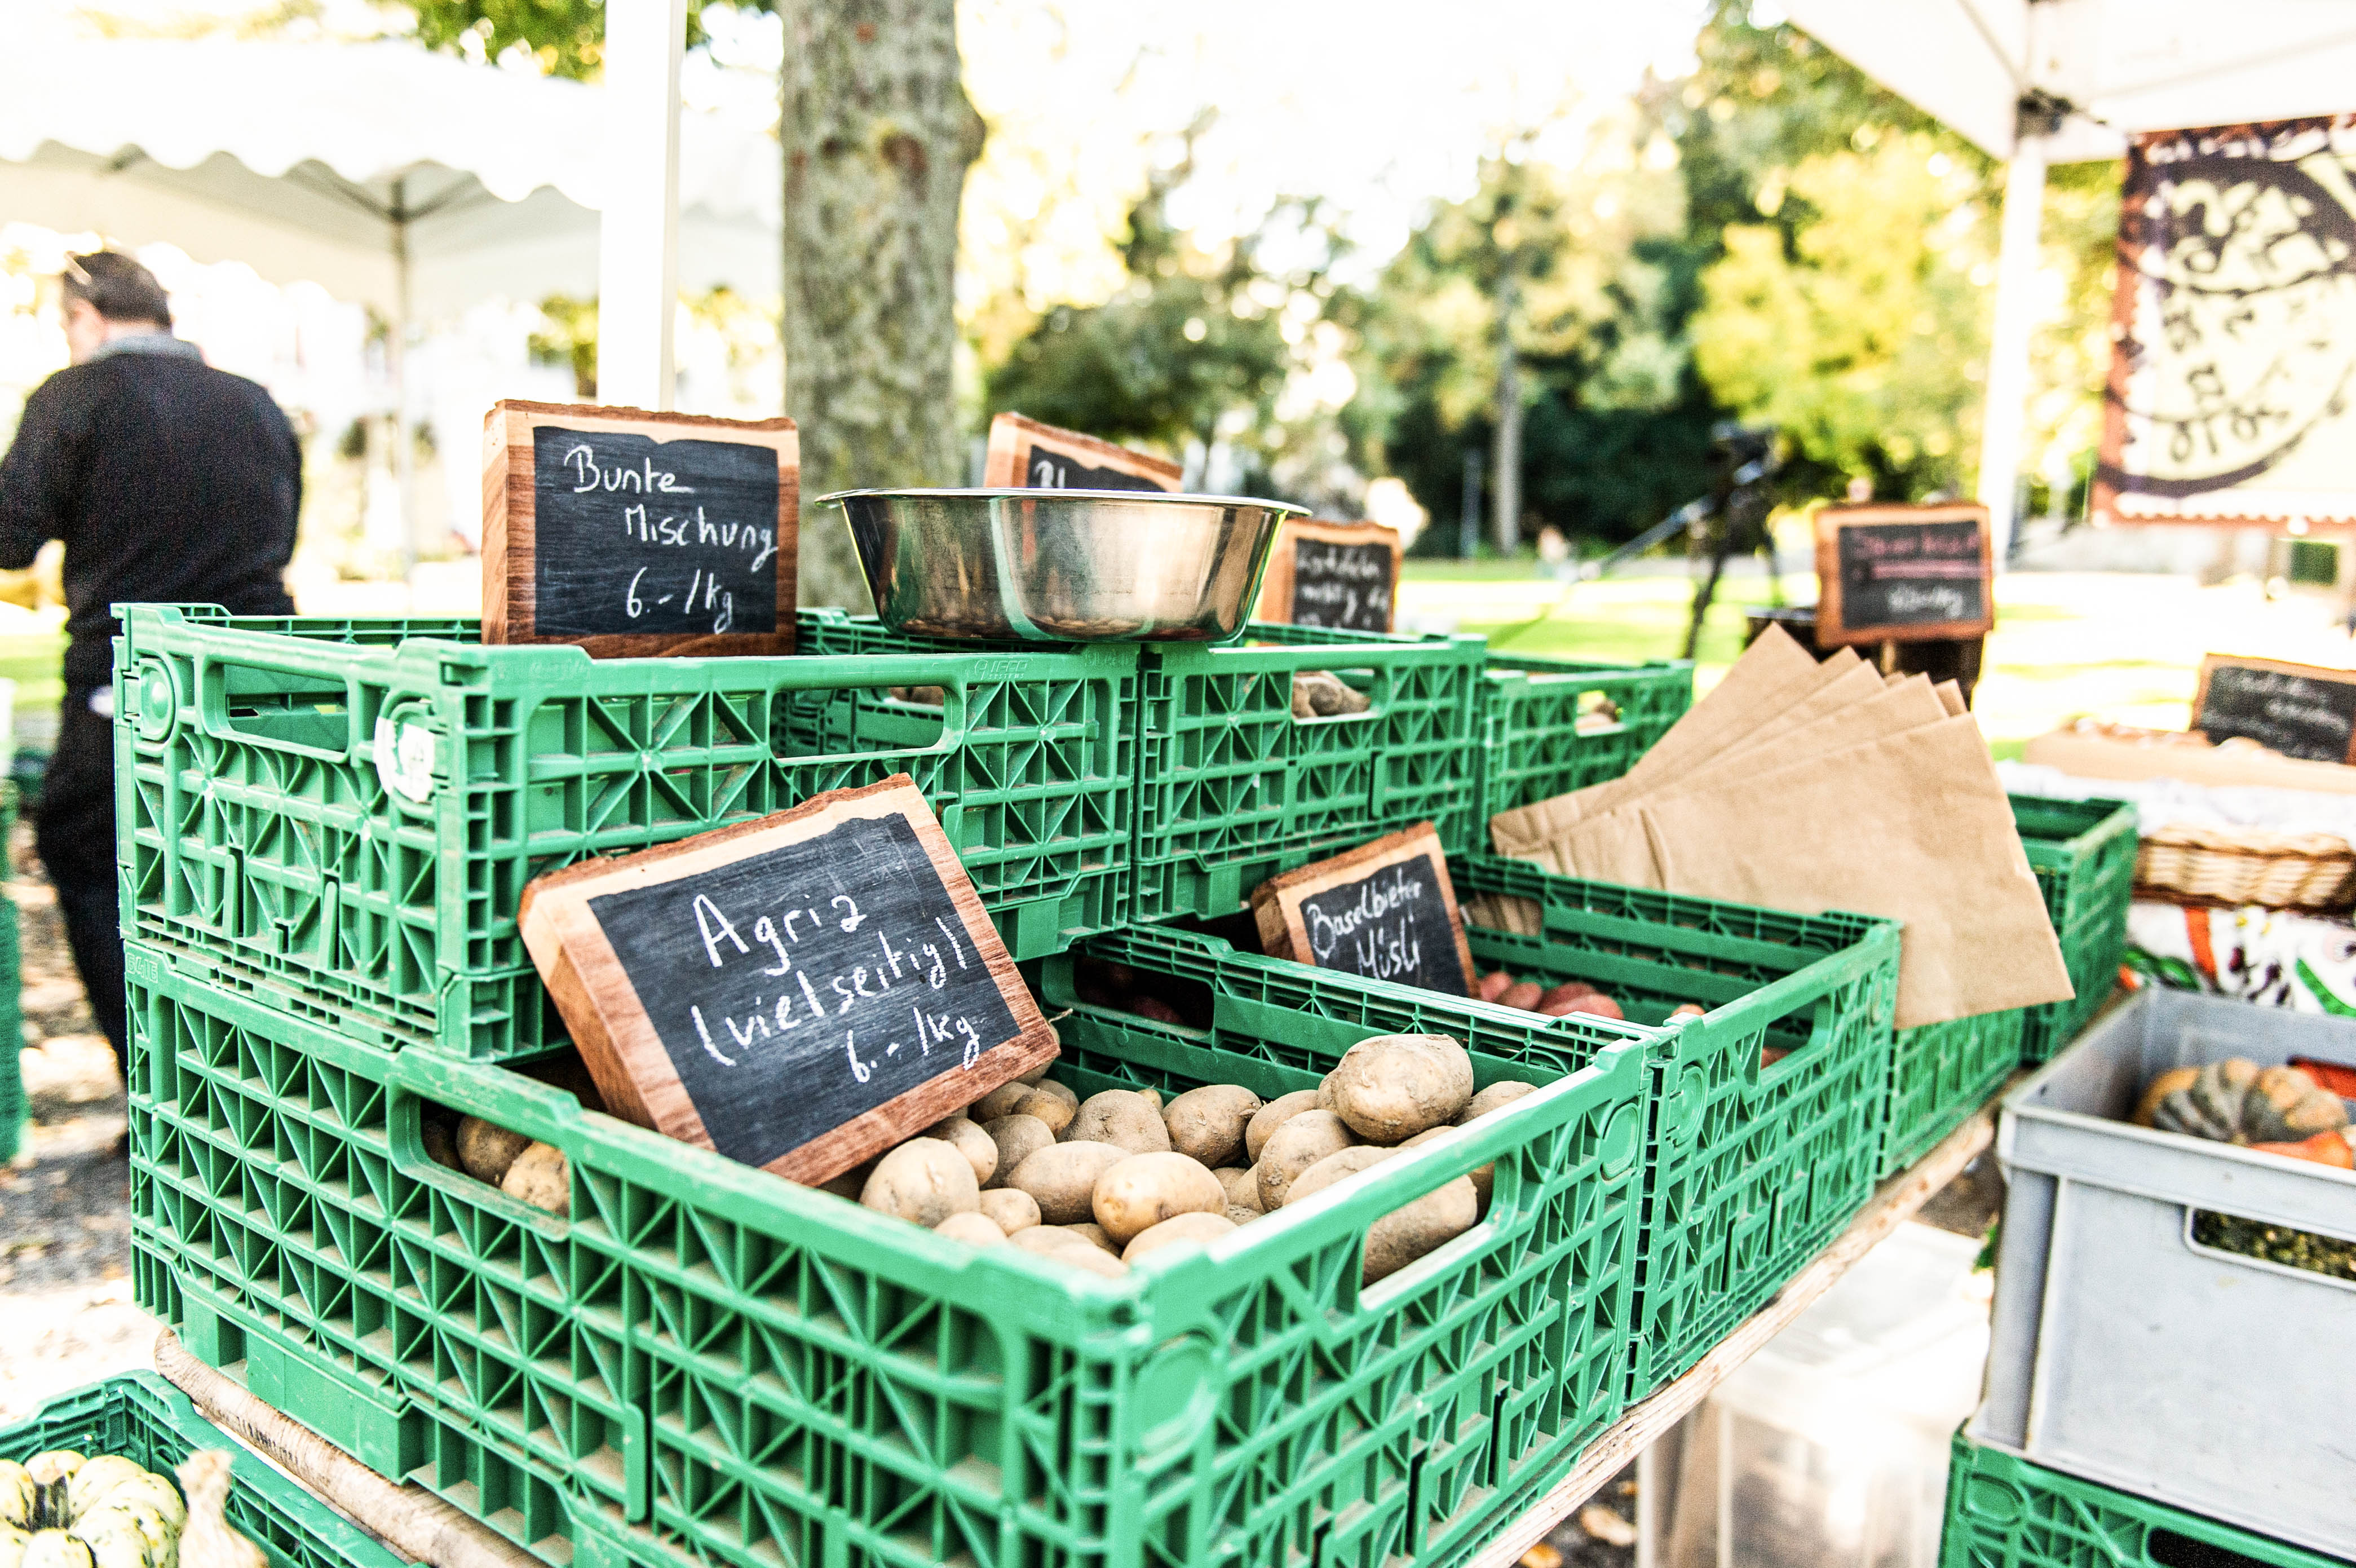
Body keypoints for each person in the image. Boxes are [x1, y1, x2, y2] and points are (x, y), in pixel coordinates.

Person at [0, 251, 299, 1062]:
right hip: (270, 676)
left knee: (89, 856)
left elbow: (10, 537)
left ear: (86, 317)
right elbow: (282, 537)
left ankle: (156, 1080)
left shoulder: (73, 396)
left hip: (130, 684)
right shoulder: (258, 404)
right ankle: (253, 1075)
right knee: (250, 872)